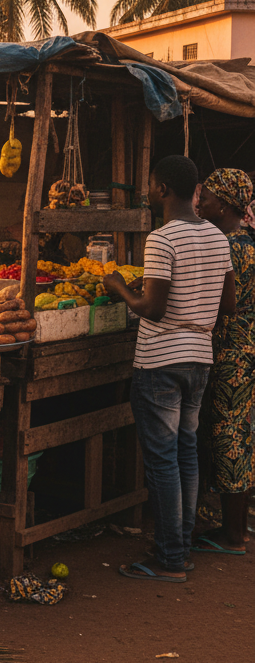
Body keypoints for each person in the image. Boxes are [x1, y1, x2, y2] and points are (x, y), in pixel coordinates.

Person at [106, 156, 235, 583]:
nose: (147, 190)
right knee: (185, 455)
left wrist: (119, 287)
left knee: (162, 461)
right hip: (199, 357)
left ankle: (171, 559)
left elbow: (152, 309)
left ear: (163, 189)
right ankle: (179, 546)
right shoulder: (218, 237)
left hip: (160, 360)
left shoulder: (162, 240)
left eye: (150, 184)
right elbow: (228, 304)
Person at [193, 168, 254, 555]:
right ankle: (237, 524)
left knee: (231, 436)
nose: (202, 202)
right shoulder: (246, 241)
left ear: (226, 205)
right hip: (244, 349)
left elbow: (222, 305)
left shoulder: (230, 246)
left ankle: (233, 535)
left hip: (232, 353)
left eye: (210, 197)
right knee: (240, 434)